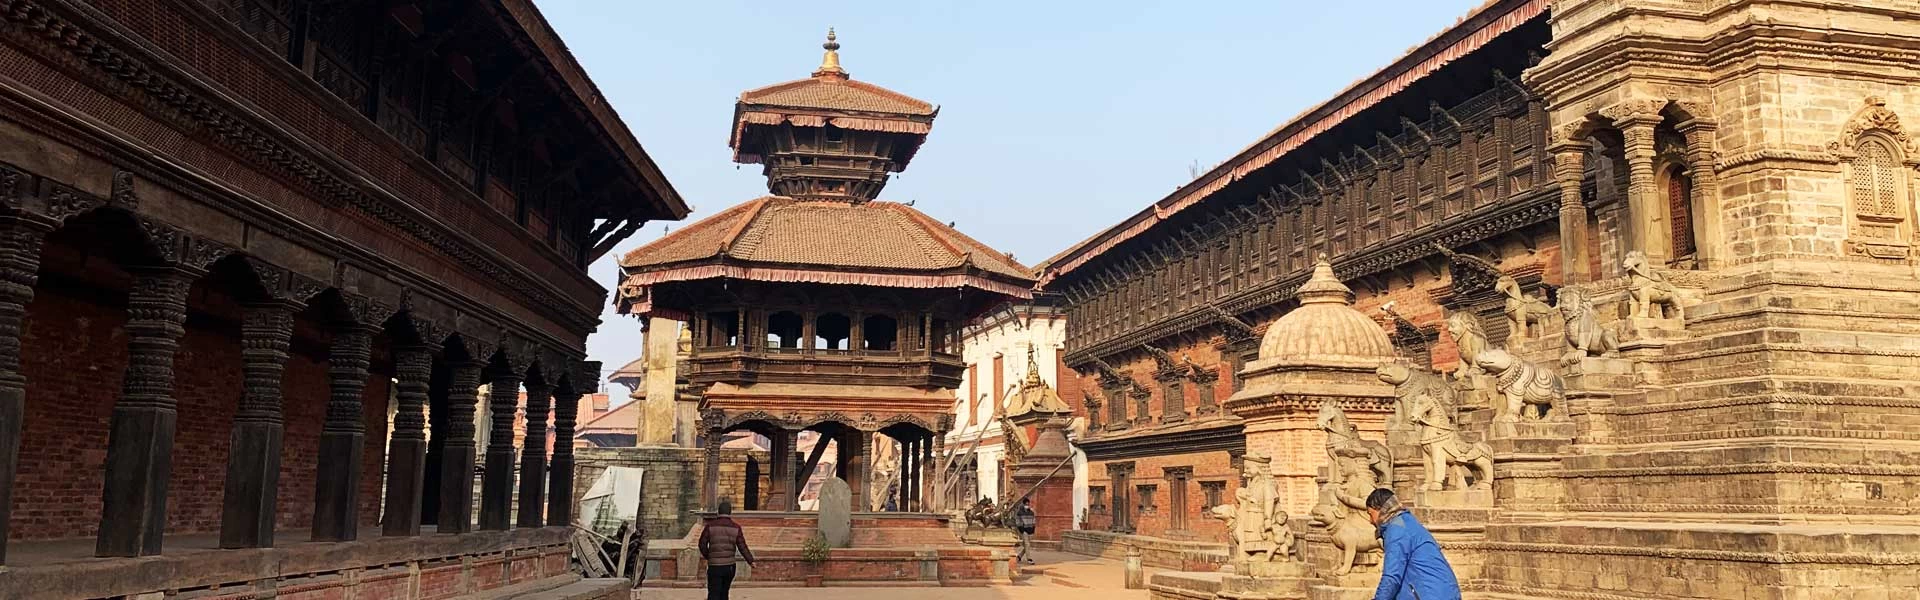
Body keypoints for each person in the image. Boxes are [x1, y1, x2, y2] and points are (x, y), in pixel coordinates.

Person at [1367, 489, 1460, 600]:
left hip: (1430, 594)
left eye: (1370, 514)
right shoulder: (1406, 522)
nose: (1370, 520)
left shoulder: (1396, 529)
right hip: (1442, 592)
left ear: (1380, 509)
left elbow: (1392, 577)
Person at [698, 499, 755, 600]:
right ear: (730, 513)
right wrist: (750, 560)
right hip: (729, 566)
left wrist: (709, 556)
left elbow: (702, 544)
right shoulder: (736, 527)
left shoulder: (710, 526)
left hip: (714, 566)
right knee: (724, 593)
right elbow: (742, 546)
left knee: (713, 593)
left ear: (719, 512)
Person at [1012, 497, 1038, 565]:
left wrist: (1033, 529)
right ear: (1023, 504)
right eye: (1026, 504)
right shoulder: (1019, 512)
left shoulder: (1031, 512)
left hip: (1030, 530)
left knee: (1027, 546)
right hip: (1024, 531)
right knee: (1027, 544)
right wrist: (1022, 530)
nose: (1027, 505)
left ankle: (1019, 556)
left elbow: (1034, 521)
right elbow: (1018, 522)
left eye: (1028, 504)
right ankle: (1029, 559)